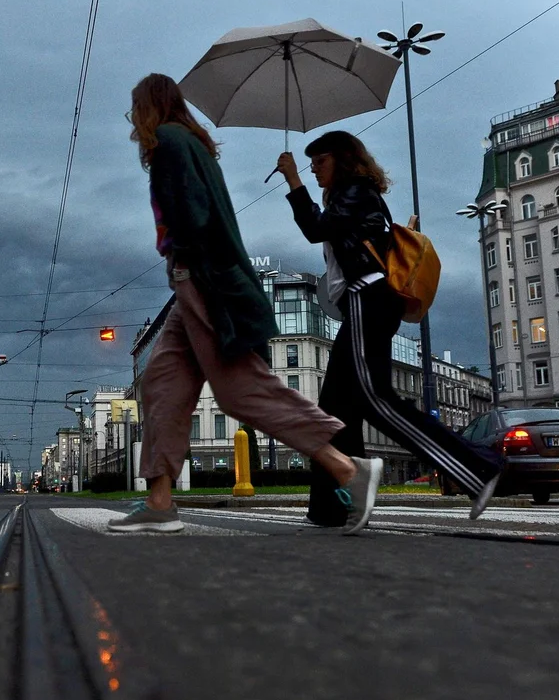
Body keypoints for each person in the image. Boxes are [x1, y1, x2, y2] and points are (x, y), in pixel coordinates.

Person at [108, 74, 383, 535]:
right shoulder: (190, 143)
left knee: (240, 390)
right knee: (161, 381)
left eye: (135, 110)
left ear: (148, 107)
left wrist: (181, 259)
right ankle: (159, 501)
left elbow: (192, 216)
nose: (134, 120)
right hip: (199, 279)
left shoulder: (170, 143)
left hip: (204, 280)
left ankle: (347, 468)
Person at [275, 131, 501, 527]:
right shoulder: (351, 196)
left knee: (376, 400)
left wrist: (292, 179)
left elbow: (314, 228)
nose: (313, 169)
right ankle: (332, 507)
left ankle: (477, 468)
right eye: (310, 164)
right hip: (363, 305)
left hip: (368, 300)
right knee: (333, 413)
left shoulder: (354, 192)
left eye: (320, 161)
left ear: (343, 161)